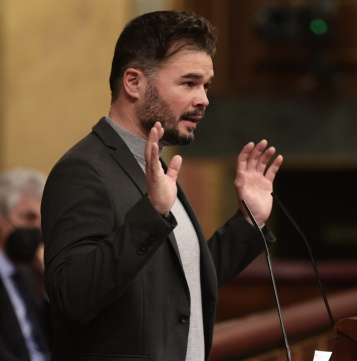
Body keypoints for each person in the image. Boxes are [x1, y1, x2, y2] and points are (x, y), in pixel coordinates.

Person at [41, 10, 283, 361]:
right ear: (134, 83)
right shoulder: (83, 169)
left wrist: (248, 222)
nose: (204, 99)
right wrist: (151, 214)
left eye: (206, 86)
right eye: (189, 83)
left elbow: (182, 282)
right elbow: (71, 298)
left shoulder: (156, 167)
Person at [0, 168, 51, 361]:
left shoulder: (28, 273)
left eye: (41, 220)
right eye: (28, 218)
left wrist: (48, 282)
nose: (37, 229)